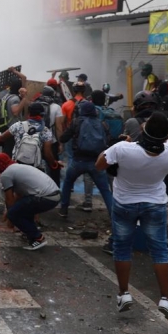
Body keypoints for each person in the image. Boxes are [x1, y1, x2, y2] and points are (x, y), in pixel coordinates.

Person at [95, 112, 168, 321]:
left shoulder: (123, 149)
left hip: (124, 203)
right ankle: (166, 299)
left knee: (122, 247)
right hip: (154, 204)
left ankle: (124, 294)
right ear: (165, 136)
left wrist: (120, 144)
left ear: (143, 130)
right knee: (160, 250)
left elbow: (99, 164)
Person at [58, 100, 116, 252]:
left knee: (68, 182)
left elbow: (64, 137)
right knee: (105, 191)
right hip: (96, 163)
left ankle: (63, 209)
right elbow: (109, 141)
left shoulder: (77, 121)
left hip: (78, 161)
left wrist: (62, 142)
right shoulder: (102, 124)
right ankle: (113, 217)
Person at [0, 153, 60, 250]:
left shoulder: (6, 174)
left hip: (45, 197)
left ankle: (38, 238)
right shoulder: (17, 167)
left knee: (14, 213)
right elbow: (19, 196)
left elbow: (9, 199)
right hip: (55, 195)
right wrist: (9, 213)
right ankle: (31, 235)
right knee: (23, 208)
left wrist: (10, 217)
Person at [0, 102, 58, 171]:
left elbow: (2, 137)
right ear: (42, 115)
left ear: (28, 114)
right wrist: (54, 163)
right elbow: (47, 153)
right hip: (35, 169)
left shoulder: (18, 125)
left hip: (17, 165)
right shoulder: (46, 131)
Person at [0, 81, 29, 157]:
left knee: (5, 151)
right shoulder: (15, 99)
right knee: (9, 153)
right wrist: (24, 98)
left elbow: (24, 78)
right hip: (11, 129)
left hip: (5, 127)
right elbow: (15, 112)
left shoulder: (7, 96)